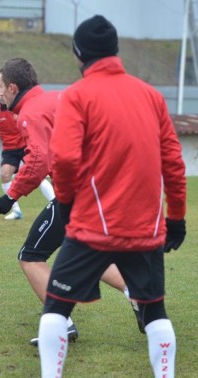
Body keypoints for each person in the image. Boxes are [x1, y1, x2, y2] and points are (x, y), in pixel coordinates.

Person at [38, 15, 186, 377]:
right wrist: (176, 219)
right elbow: (174, 163)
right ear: (115, 49)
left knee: (56, 308)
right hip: (145, 229)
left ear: (78, 53)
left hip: (91, 227)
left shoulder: (77, 95)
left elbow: (64, 158)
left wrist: (69, 202)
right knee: (154, 311)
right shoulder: (151, 95)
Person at [0, 57, 138, 345]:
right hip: (104, 186)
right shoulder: (58, 98)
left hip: (80, 192)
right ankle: (139, 296)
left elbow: (38, 161)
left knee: (30, 257)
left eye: (0, 86)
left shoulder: (31, 112)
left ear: (13, 87)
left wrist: (10, 196)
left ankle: (62, 323)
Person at [0, 96, 55, 220]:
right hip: (9, 150)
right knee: (4, 175)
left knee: (37, 173)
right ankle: (16, 211)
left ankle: (54, 203)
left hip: (25, 146)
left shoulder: (19, 110)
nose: (1, 95)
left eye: (3, 91)